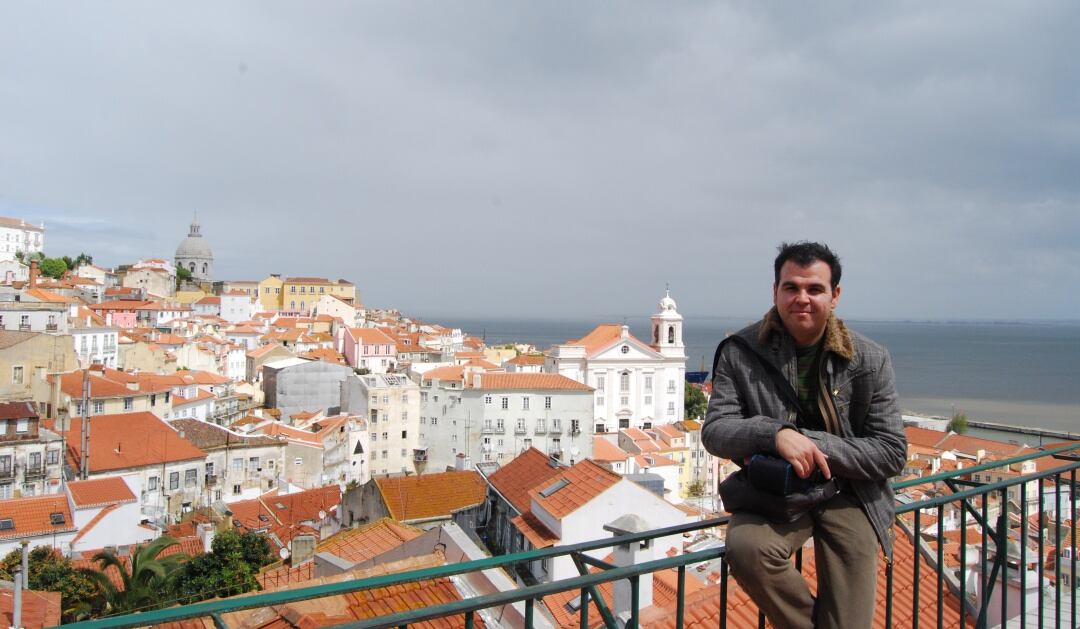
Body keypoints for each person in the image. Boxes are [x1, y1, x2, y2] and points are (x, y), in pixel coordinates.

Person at [702, 241, 906, 629]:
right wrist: (774, 434)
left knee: (850, 619)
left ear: (835, 295)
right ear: (775, 291)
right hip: (778, 489)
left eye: (815, 289)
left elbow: (892, 452)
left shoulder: (869, 359)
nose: (802, 299)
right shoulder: (740, 352)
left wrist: (812, 444)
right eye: (791, 287)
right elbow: (716, 431)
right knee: (747, 549)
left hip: (852, 492)